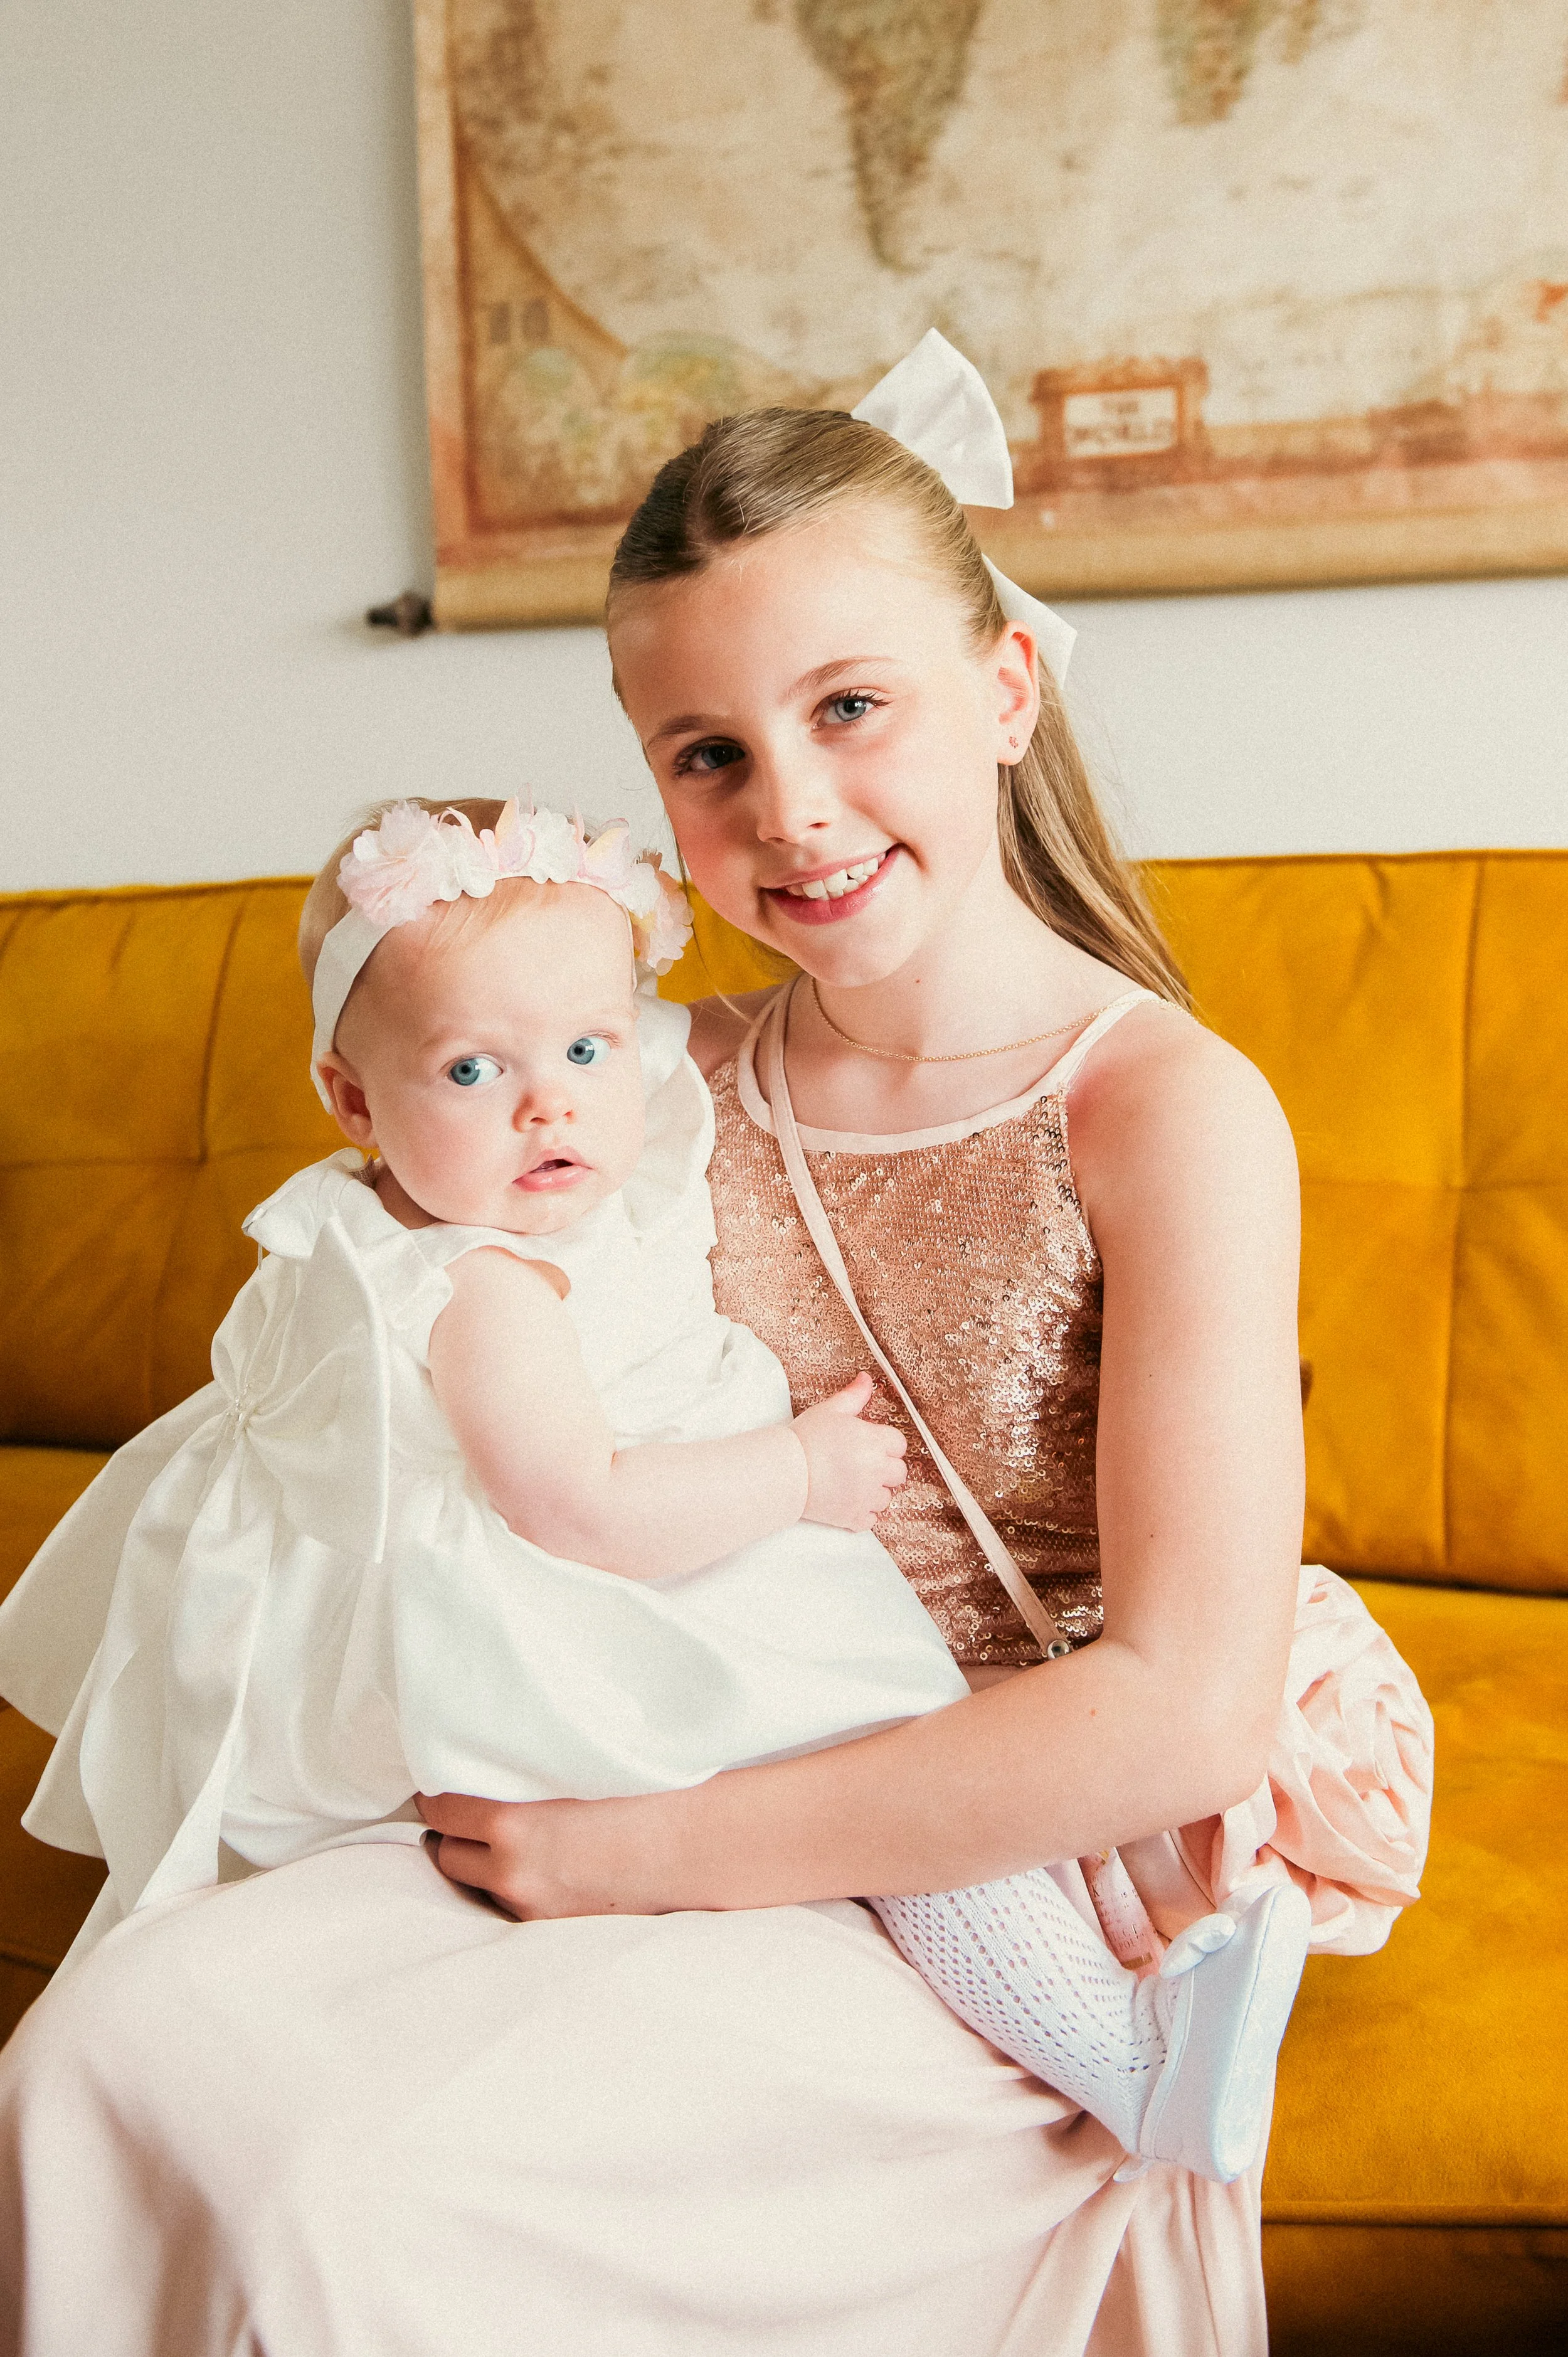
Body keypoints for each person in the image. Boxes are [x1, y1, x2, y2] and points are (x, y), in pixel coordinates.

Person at [0, 336, 1432, 2356]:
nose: (791, 807)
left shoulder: (1165, 1108)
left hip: (964, 1853)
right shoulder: (640, 1075)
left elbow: (1177, 1711)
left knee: (349, 2197)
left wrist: (635, 1856)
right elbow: (420, 1264)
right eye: (705, 753)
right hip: (658, 1705)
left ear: (1005, 689)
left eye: (851, 706)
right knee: (103, 2052)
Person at [8, 790, 1313, 2188]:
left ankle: (1119, 2047)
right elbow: (579, 1501)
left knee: (896, 1808)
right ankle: (1125, 2057)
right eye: (470, 1073)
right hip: (610, 1620)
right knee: (885, 1782)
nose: (548, 1103)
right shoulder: (478, 1278)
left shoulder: (529, 1185)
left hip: (614, 1609)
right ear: (351, 1100)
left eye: (584, 1048)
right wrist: (797, 1472)